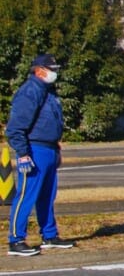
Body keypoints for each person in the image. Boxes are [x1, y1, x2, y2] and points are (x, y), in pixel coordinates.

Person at [7, 54, 72, 257]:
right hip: (34, 149)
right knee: (27, 195)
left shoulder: (49, 92)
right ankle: (16, 240)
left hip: (49, 148)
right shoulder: (30, 91)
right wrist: (23, 154)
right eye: (51, 69)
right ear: (39, 70)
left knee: (47, 195)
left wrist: (56, 150)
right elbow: (15, 128)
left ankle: (49, 235)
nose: (55, 73)